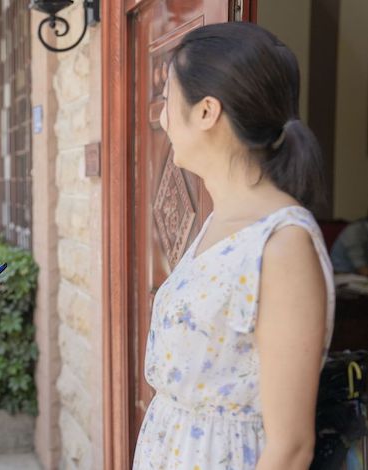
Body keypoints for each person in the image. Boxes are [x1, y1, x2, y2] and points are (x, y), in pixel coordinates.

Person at [132, 22, 335, 469]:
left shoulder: (282, 244)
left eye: (168, 98)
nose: (162, 115)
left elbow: (290, 447)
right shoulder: (216, 223)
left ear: (206, 111)